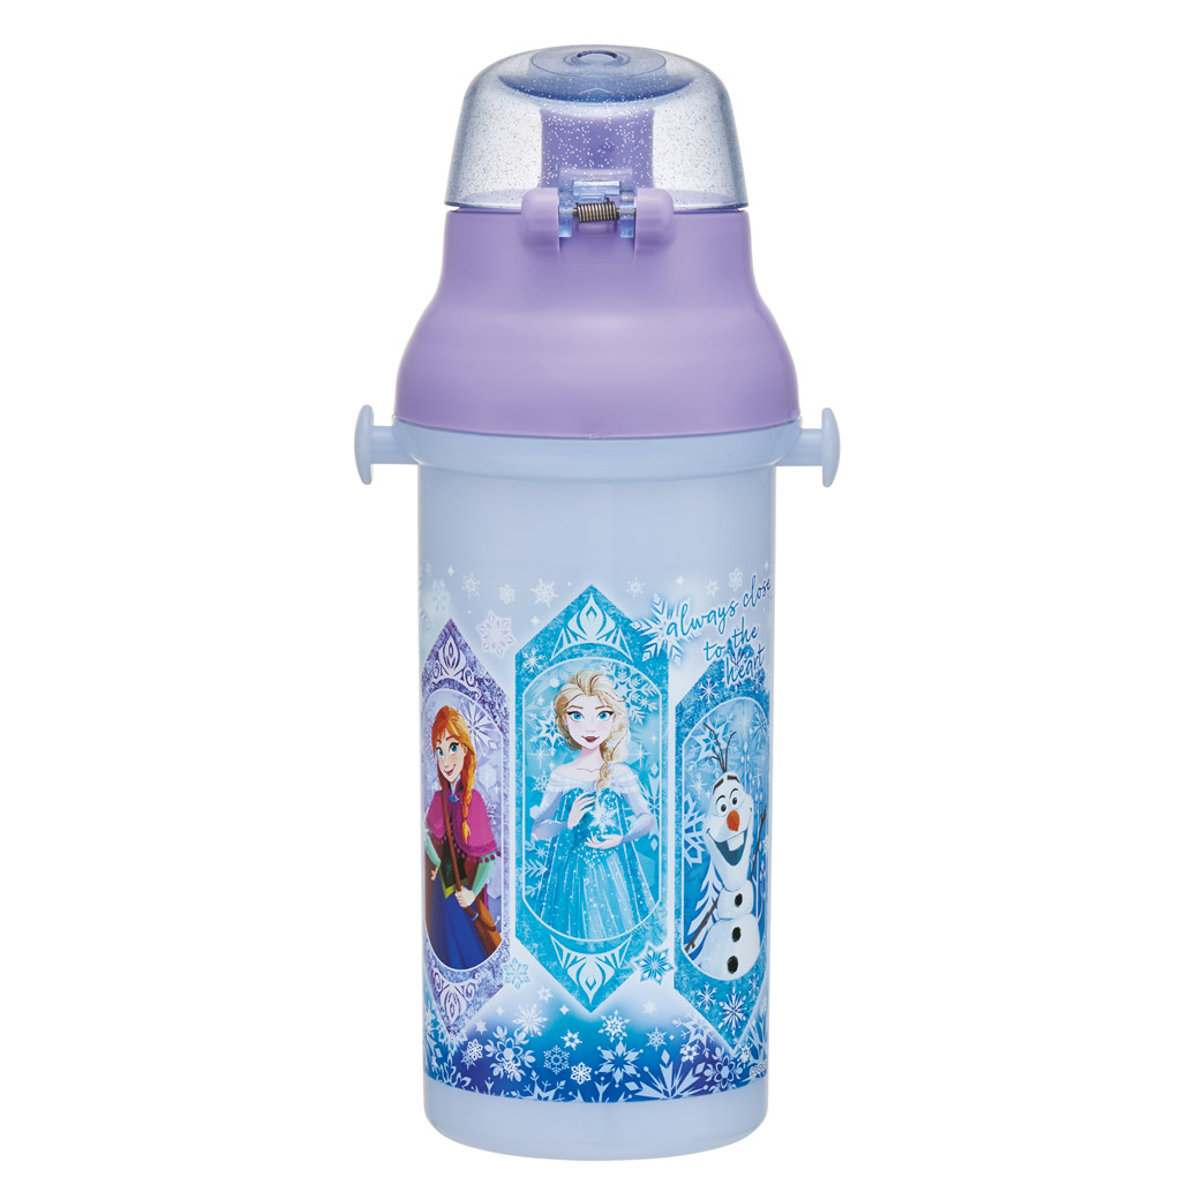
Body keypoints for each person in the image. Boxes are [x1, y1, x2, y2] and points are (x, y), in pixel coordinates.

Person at [529, 670, 656, 940]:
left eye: (601, 715)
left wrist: (622, 837)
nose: (589, 727)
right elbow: (537, 830)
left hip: (614, 868)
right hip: (572, 874)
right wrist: (567, 824)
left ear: (614, 718)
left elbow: (647, 818)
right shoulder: (561, 775)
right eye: (577, 715)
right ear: (564, 720)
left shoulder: (621, 774)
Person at [424, 706, 499, 967]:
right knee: (444, 943)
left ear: (466, 749)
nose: (446, 760)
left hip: (463, 893)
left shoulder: (474, 800)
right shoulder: (438, 799)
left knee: (467, 946)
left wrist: (472, 892)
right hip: (442, 889)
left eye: (453, 747)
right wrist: (435, 860)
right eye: (440, 751)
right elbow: (428, 839)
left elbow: (487, 858)